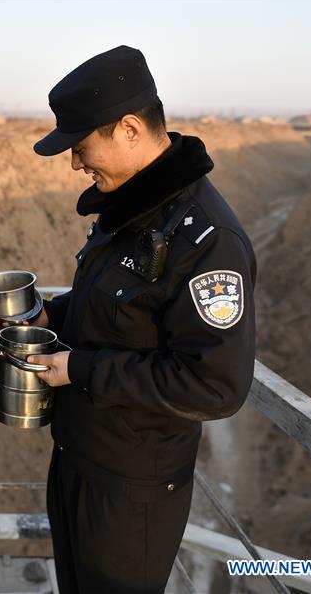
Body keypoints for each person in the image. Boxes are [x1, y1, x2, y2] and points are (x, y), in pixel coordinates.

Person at [26, 46, 256, 592]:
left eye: (81, 147)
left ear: (129, 128)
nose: (76, 164)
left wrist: (77, 370)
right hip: (79, 460)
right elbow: (111, 314)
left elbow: (214, 386)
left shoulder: (207, 240)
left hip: (131, 489)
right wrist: (45, 313)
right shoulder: (129, 209)